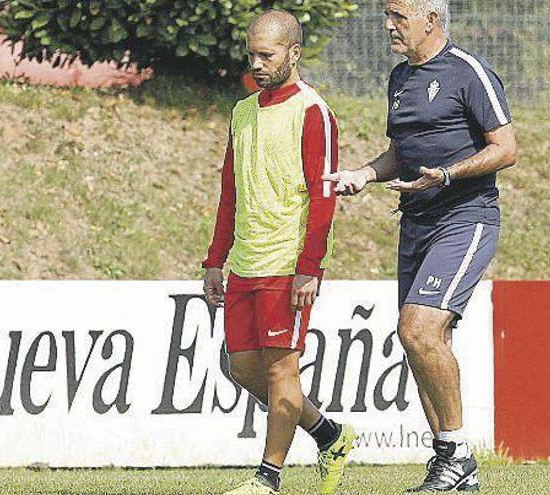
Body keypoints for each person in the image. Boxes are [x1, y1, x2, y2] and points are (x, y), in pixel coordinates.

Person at [323, 0, 517, 491]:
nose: (389, 25)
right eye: (387, 16)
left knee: (419, 328)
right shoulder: (399, 79)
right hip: (415, 221)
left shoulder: (469, 71)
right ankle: (451, 467)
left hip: (465, 217)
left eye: (399, 17)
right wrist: (363, 174)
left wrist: (448, 174)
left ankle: (457, 456)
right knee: (419, 341)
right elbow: (398, 152)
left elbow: (506, 149)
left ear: (432, 20)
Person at [202, 9, 356, 495]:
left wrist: (309, 267)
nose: (258, 63)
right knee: (243, 368)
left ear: (294, 53)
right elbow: (230, 190)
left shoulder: (313, 111)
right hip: (245, 263)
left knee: (280, 369)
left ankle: (267, 479)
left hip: (288, 264)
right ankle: (330, 436)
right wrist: (214, 259)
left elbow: (323, 195)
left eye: (267, 54)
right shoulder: (242, 112)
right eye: (252, 54)